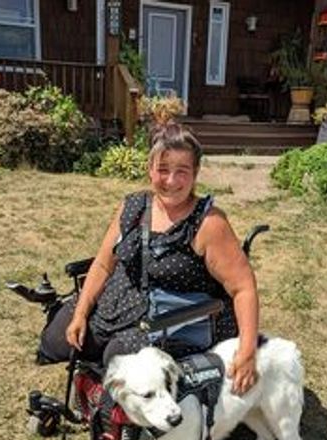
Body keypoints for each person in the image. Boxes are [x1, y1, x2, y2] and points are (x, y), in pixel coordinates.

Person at [40, 122, 260, 395]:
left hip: (173, 317)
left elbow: (243, 288)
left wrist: (248, 350)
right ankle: (93, 381)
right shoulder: (133, 206)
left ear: (196, 173)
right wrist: (82, 312)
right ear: (150, 169)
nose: (171, 180)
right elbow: (102, 264)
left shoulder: (208, 223)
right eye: (163, 169)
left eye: (182, 171)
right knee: (57, 340)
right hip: (120, 303)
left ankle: (109, 401)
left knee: (119, 359)